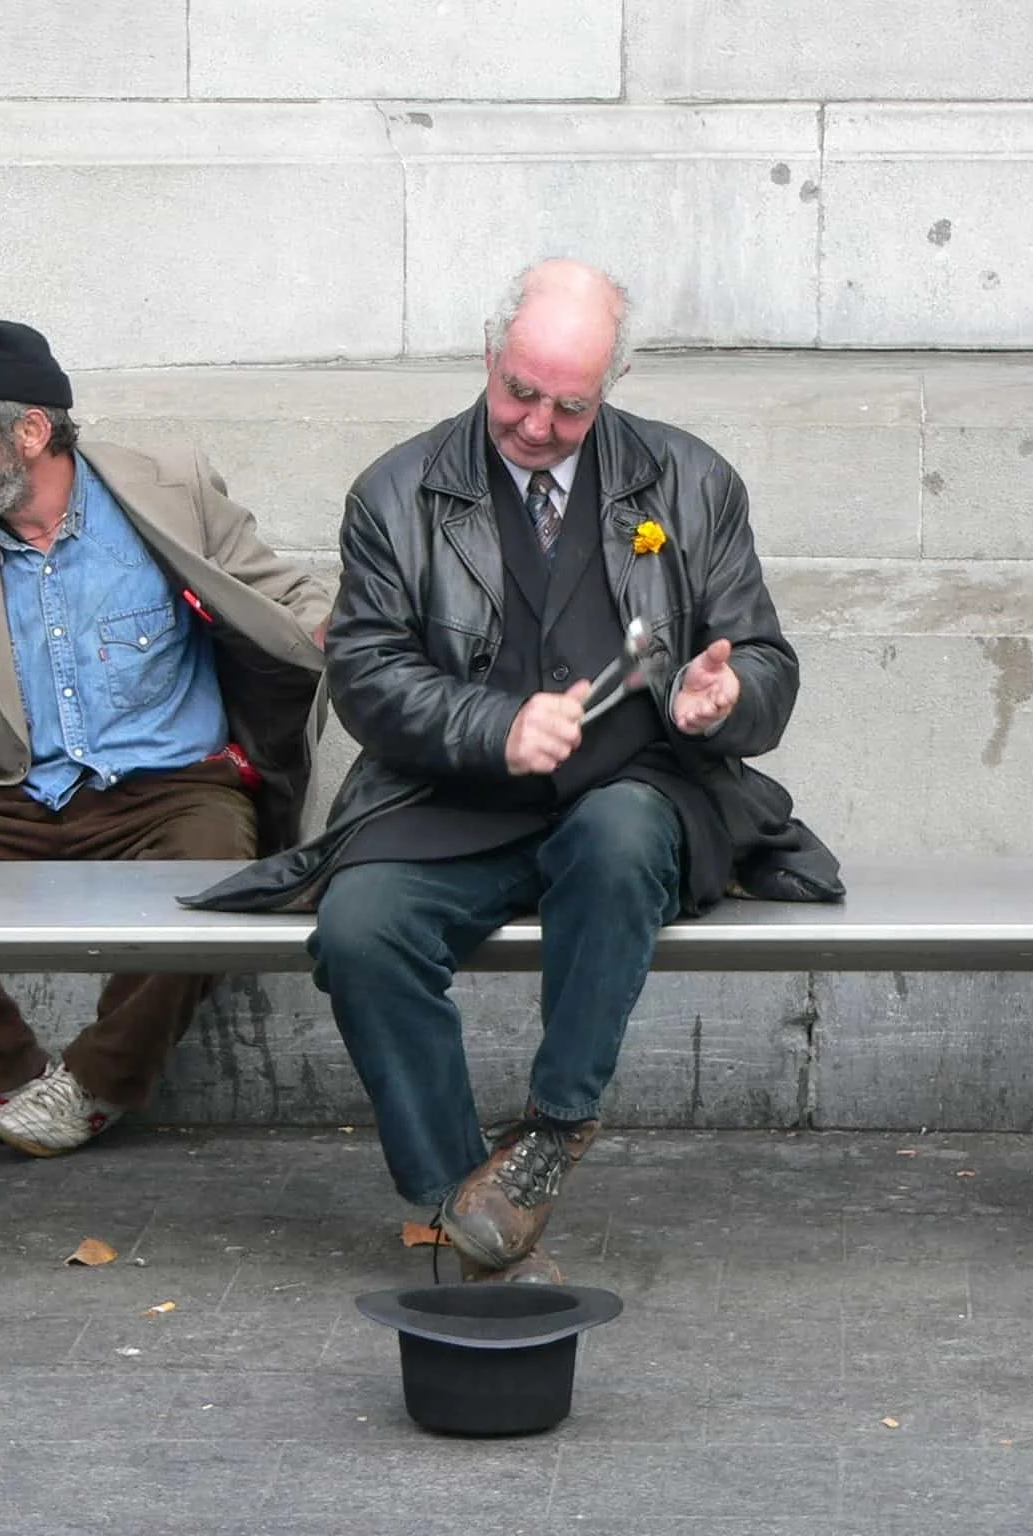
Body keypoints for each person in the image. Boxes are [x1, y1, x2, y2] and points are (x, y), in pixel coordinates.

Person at [188, 260, 841, 1283]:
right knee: (358, 930)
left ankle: (549, 1133)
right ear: (489, 356)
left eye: (568, 406)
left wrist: (726, 698)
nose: (535, 423)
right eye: (518, 393)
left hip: (645, 790)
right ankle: (459, 1199)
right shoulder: (395, 491)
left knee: (616, 833)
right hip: (447, 796)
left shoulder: (691, 481)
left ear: (611, 385)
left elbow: (760, 662)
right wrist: (493, 725)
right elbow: (361, 674)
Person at [0, 313, 331, 1159]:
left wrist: (331, 640)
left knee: (217, 877)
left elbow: (283, 593)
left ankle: (94, 1085)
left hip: (170, 791)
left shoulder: (170, 489)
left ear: (29, 431)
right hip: (17, 791)